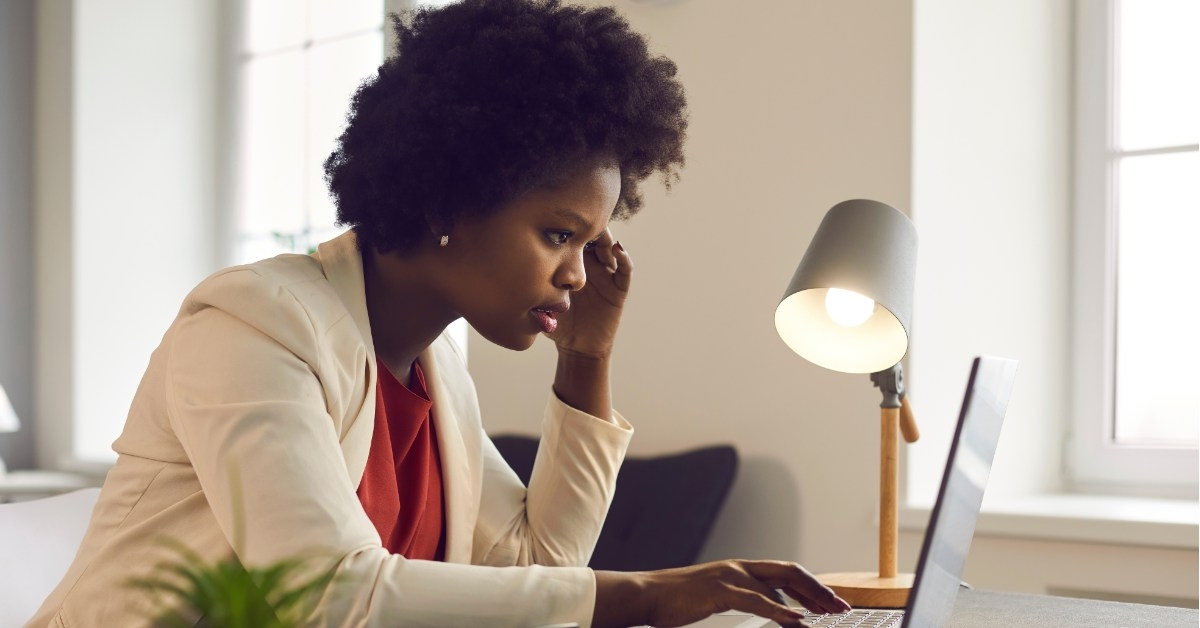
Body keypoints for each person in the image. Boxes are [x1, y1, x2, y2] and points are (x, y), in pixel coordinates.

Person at [29, 1, 850, 626]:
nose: (577, 272)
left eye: (593, 241)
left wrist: (586, 360)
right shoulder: (253, 326)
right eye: (559, 233)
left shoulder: (433, 371)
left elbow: (539, 560)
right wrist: (644, 595)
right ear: (446, 199)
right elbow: (329, 592)